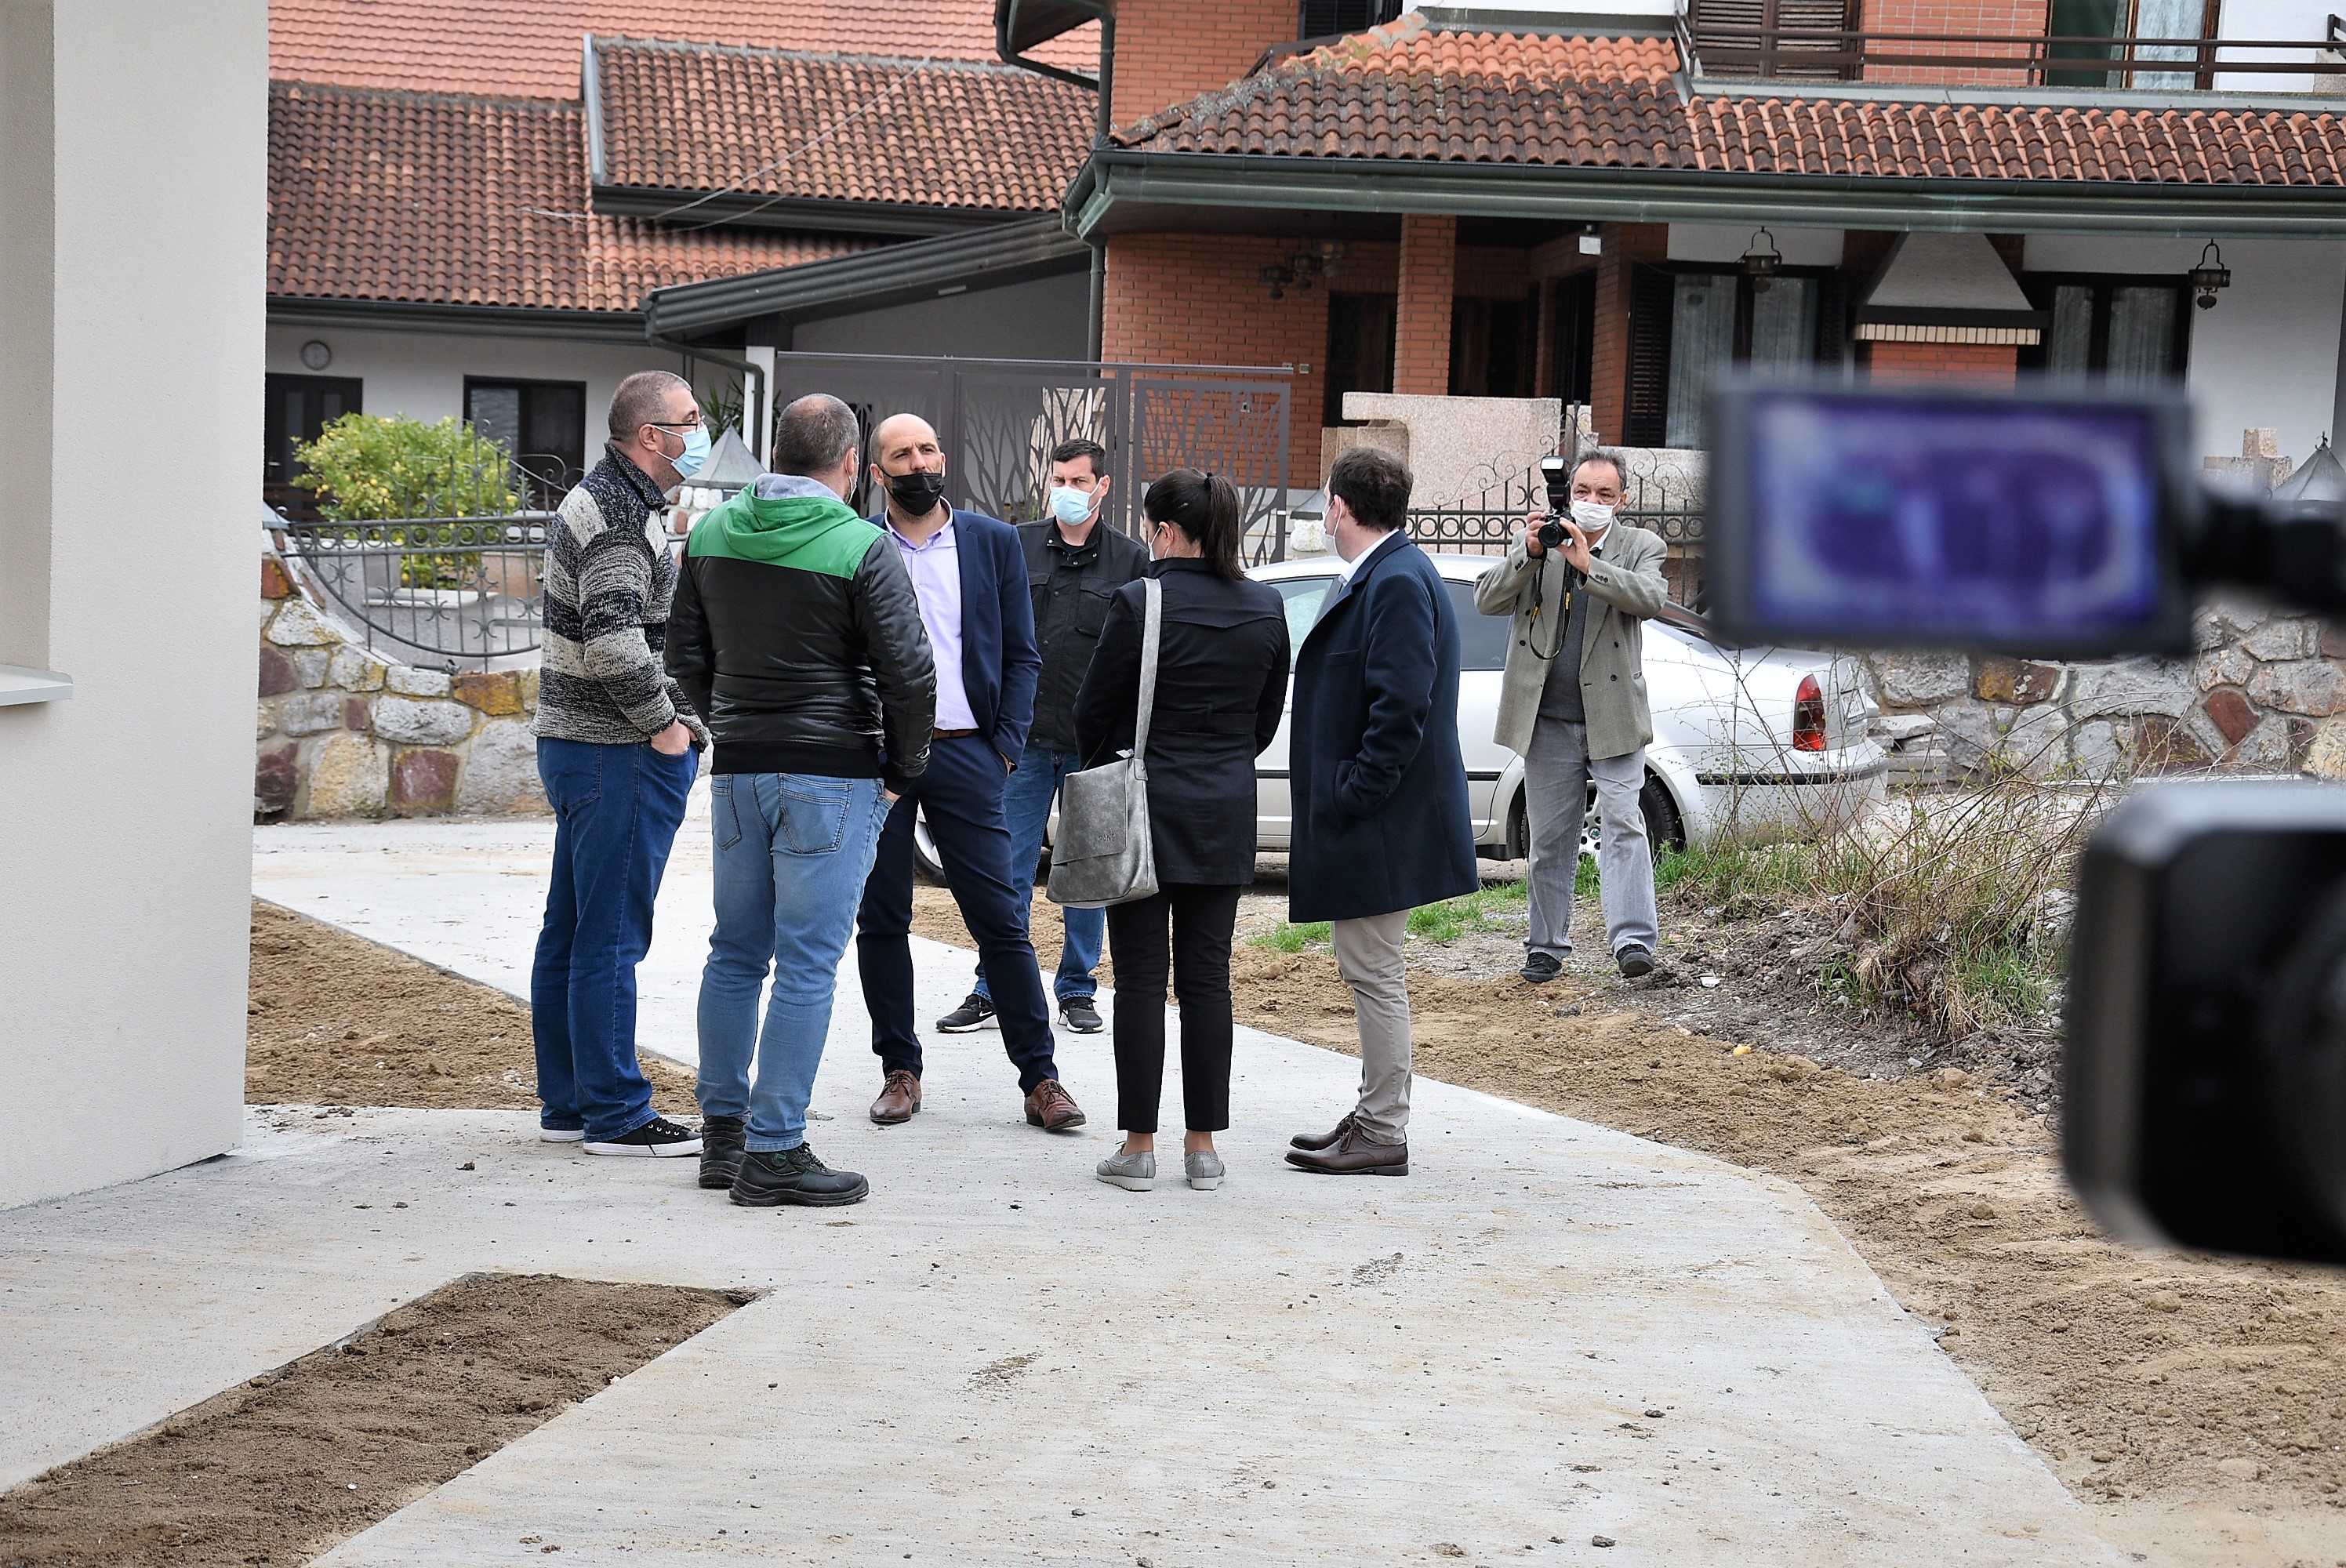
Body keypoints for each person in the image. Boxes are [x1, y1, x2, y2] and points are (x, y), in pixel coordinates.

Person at [666, 394, 937, 1207]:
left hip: (740, 770)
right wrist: (903, 769)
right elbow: (909, 673)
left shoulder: (710, 533)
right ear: (852, 463)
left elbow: (685, 657)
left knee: (735, 952)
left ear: (776, 453)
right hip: (833, 771)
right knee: (808, 963)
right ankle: (776, 1149)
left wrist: (733, 726)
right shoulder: (861, 545)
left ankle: (725, 1136)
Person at [854, 413, 1088, 1132]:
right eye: (902, 454)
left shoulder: (991, 541)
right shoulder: (858, 543)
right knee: (882, 919)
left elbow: (1022, 652)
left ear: (944, 459)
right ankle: (900, 1070)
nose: (918, 463)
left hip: (968, 753)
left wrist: (1004, 750)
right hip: (879, 760)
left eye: (927, 449)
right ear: (877, 473)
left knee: (1002, 920)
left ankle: (1041, 1079)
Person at [1075, 470, 1288, 1193]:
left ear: (1164, 531)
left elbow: (1093, 710)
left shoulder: (1140, 601)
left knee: (1139, 978)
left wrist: (1112, 767)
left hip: (1145, 805)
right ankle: (1203, 1149)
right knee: (1208, 979)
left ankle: (1138, 1147)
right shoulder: (1266, 605)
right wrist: (1220, 761)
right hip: (1225, 807)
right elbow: (1265, 718)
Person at [529, 370, 711, 1158]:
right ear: (650, 436)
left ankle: (570, 1102)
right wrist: (666, 728)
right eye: (690, 419)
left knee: (571, 932)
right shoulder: (618, 516)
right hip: (615, 750)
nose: (700, 432)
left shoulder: (600, 498)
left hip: (577, 746)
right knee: (609, 937)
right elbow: (613, 641)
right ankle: (616, 1113)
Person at [1283, 446, 1478, 1178]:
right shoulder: (1389, 571)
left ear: (1340, 507)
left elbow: (1400, 708)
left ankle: (1383, 1127)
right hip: (1375, 817)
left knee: (1373, 969)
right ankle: (1373, 1113)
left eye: (1326, 503)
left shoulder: (1395, 579)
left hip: (1380, 820)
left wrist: (1353, 792)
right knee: (1369, 965)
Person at [936, 437, 1146, 1040]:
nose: (1067, 492)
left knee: (1087, 876)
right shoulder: (1016, 544)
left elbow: (1139, 654)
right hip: (1021, 743)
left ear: (1103, 487)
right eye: (1059, 480)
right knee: (1004, 871)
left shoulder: (1131, 560)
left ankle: (1077, 989)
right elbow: (984, 632)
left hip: (1093, 747)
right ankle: (992, 986)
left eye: (1079, 482)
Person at [1472, 450, 1669, 984]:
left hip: (1614, 715)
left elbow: (1650, 597)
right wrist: (1531, 552)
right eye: (1582, 491)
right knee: (1550, 838)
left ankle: (1632, 941)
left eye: (1605, 494)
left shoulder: (1641, 546)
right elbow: (1486, 599)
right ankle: (1545, 947)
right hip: (1547, 718)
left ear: (1621, 501)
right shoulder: (1542, 542)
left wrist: (1588, 565)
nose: (1592, 501)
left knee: (1624, 825)